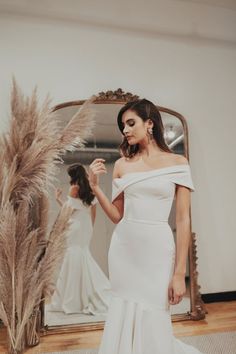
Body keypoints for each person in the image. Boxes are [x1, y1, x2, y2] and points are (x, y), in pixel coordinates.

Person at [88, 99, 204, 353]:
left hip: (157, 248)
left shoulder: (178, 163)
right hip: (124, 247)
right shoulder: (121, 165)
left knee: (154, 308)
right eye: (122, 126)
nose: (125, 130)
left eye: (131, 123)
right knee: (123, 304)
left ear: (150, 123)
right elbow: (117, 215)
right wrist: (95, 187)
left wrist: (178, 273)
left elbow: (183, 219)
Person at [49, 163, 111, 315]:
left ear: (73, 176)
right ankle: (84, 295)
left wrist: (58, 199)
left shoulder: (73, 188)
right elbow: (93, 213)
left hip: (74, 226)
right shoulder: (91, 189)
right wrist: (90, 228)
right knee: (82, 254)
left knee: (73, 255)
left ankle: (73, 299)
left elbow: (67, 212)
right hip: (86, 226)